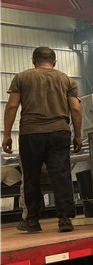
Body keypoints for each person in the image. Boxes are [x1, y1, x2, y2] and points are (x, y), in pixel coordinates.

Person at [3, 47, 82, 233]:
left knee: (31, 176)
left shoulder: (22, 77)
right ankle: (65, 220)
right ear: (54, 62)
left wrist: (7, 135)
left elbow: (12, 106)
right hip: (59, 133)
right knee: (61, 175)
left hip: (31, 133)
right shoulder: (67, 80)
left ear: (33, 60)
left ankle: (32, 220)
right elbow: (75, 109)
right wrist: (77, 135)